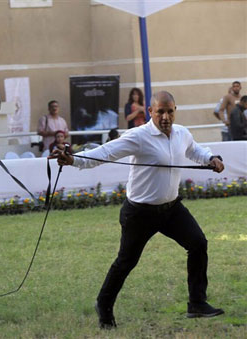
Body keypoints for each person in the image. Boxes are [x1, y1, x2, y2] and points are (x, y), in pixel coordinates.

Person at [54, 91, 225, 329]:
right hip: (140, 213)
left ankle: (197, 303)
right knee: (126, 262)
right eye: (160, 111)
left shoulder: (181, 134)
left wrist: (211, 158)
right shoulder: (138, 136)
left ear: (175, 111)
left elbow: (194, 150)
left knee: (198, 243)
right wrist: (73, 159)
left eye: (170, 111)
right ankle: (103, 305)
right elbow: (104, 153)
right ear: (150, 112)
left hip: (172, 209)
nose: (165, 116)